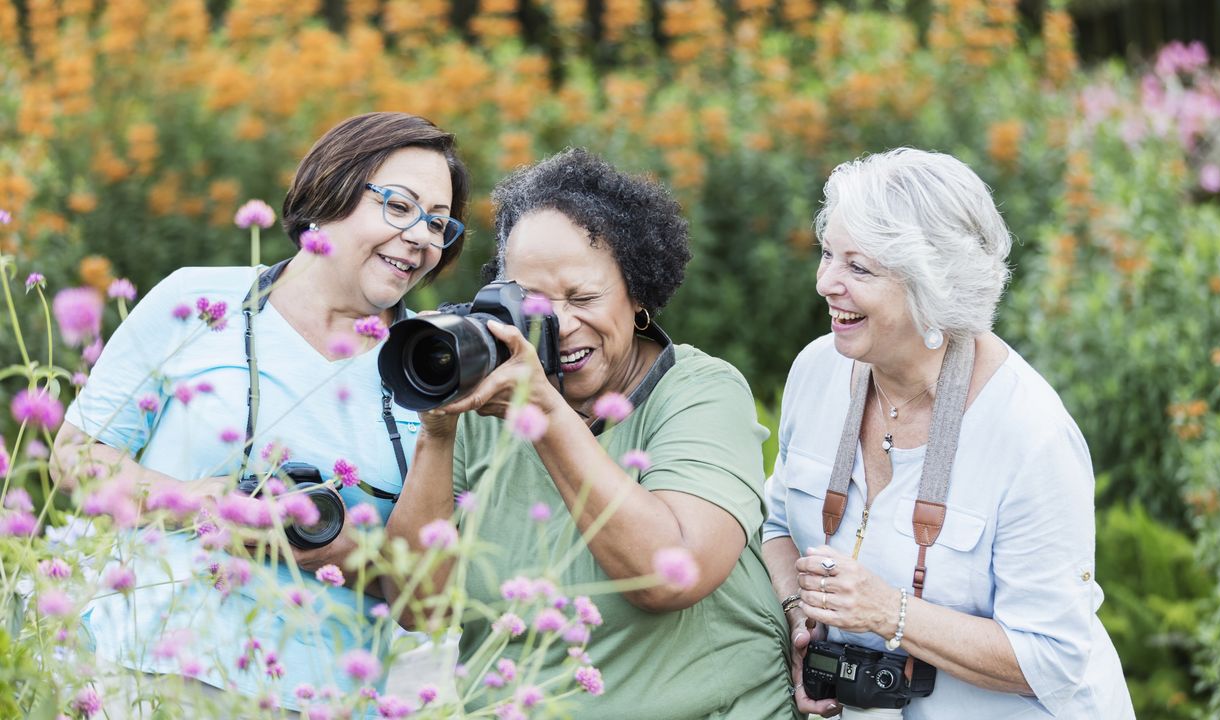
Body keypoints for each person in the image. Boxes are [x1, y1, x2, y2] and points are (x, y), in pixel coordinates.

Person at [51, 112, 470, 712]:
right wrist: (206, 503)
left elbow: (427, 601)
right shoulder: (196, 301)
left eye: (438, 223)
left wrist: (348, 552)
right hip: (148, 677)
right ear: (331, 191)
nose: (421, 237)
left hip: (321, 699)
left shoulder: (429, 367)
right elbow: (73, 457)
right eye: (400, 206)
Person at [383, 148, 799, 719]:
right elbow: (418, 609)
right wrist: (437, 429)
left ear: (638, 294)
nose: (559, 324)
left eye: (582, 298)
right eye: (531, 302)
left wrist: (545, 414)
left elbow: (671, 576)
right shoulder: (484, 403)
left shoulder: (699, 391)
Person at [762, 149, 1135, 719]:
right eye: (828, 254)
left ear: (933, 286)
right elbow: (779, 526)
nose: (825, 283)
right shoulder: (816, 371)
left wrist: (889, 612)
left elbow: (1054, 658)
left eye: (859, 268)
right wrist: (799, 621)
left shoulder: (1031, 435)